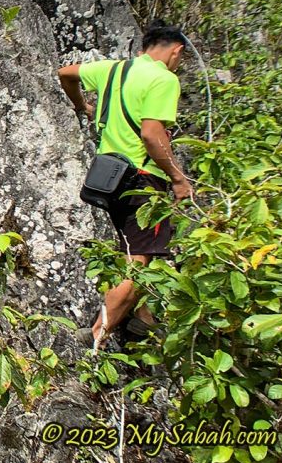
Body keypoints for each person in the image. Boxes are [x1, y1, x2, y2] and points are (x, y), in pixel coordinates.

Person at [58, 21, 194, 347]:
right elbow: (151, 135)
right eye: (180, 58)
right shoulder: (164, 79)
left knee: (130, 249)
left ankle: (141, 319)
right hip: (145, 181)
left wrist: (82, 106)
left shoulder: (113, 69)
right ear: (176, 51)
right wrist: (178, 177)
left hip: (109, 177)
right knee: (139, 264)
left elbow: (65, 73)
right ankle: (97, 338)